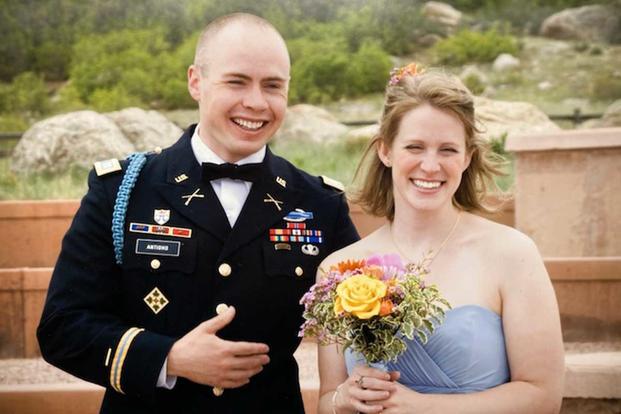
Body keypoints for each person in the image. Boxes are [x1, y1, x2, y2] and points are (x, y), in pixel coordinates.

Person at [37, 13, 359, 414]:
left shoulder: (319, 203)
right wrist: (169, 358)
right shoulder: (121, 190)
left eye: (273, 86)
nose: (257, 102)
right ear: (196, 81)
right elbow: (62, 327)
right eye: (237, 81)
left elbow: (366, 325)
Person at [316, 65, 565, 414]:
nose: (430, 166)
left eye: (447, 150)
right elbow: (327, 399)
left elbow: (543, 397)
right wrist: (344, 399)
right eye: (415, 147)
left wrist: (423, 407)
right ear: (386, 151)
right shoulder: (338, 269)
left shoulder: (512, 254)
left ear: (468, 157)